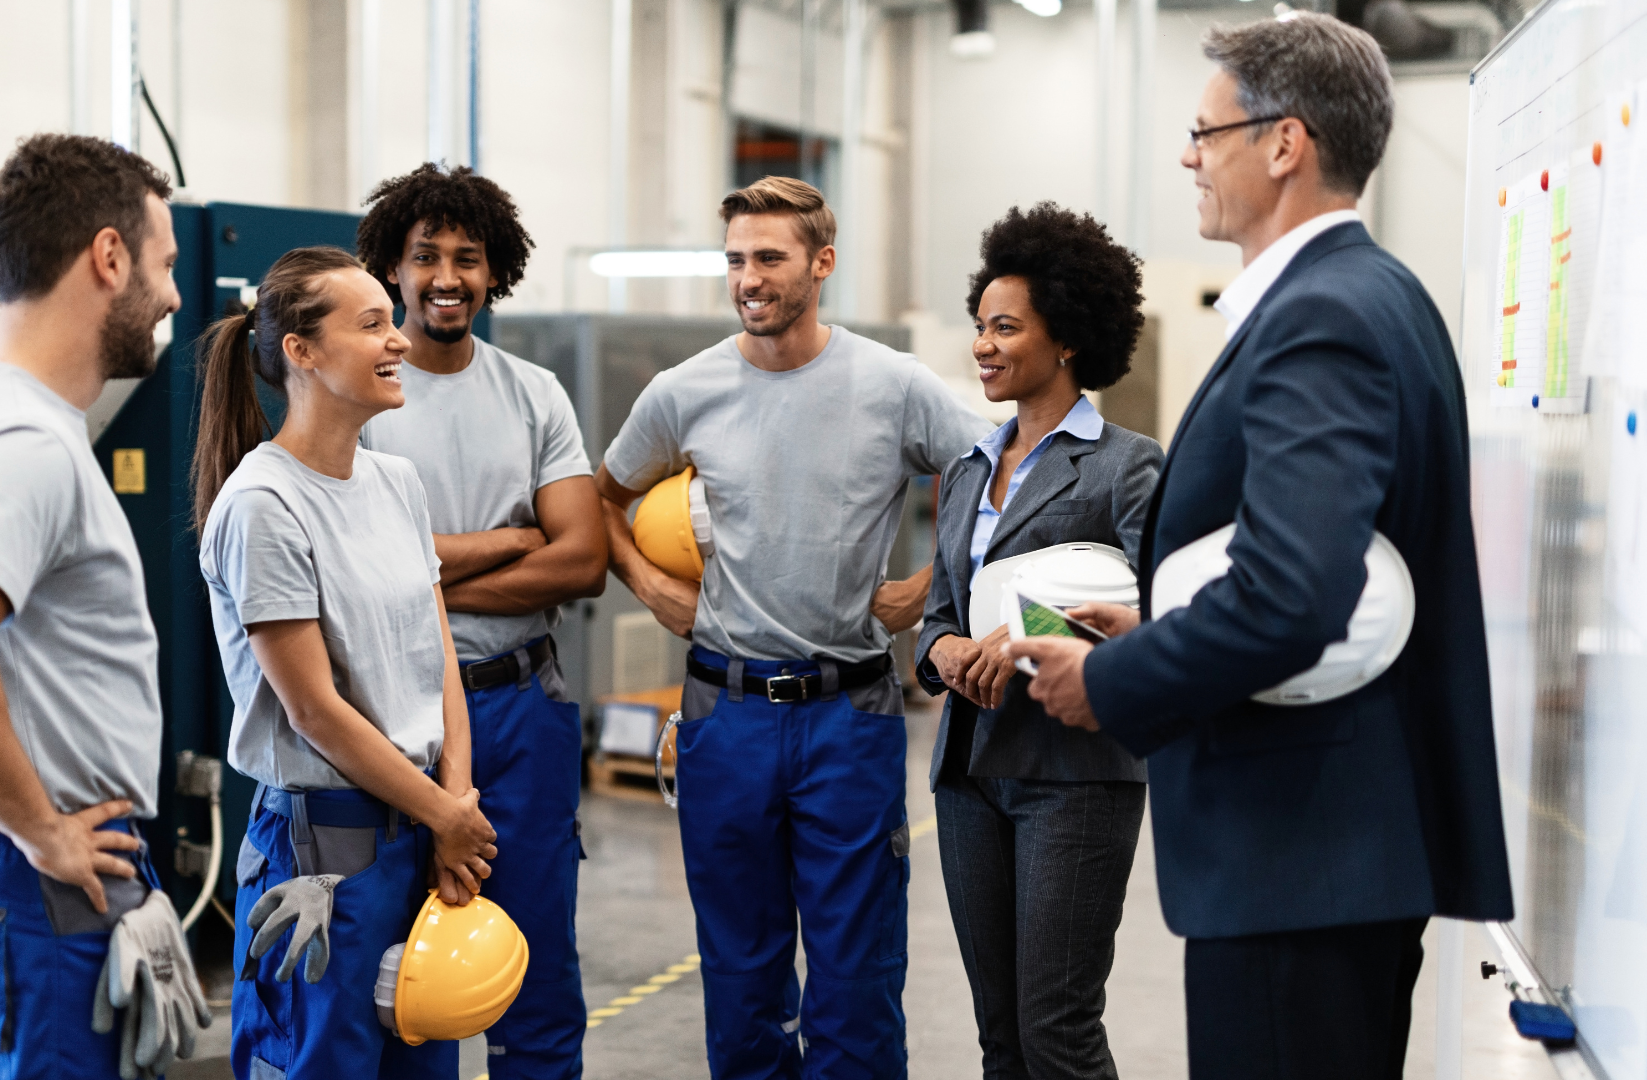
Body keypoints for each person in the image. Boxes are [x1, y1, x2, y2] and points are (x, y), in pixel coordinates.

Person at [1006, 14, 1514, 1080]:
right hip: (1332, 854)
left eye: (1206, 130)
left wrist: (1118, 678)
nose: (1191, 155)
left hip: (1300, 852)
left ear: (1285, 143)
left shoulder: (1322, 316)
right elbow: (1326, 567)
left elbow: (1292, 596)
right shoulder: (1377, 295)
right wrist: (1163, 624)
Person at [596, 176, 992, 1080]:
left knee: (856, 988)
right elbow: (602, 498)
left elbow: (1000, 475)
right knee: (741, 985)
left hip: (847, 717)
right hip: (723, 715)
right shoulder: (682, 391)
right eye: (735, 260)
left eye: (768, 258)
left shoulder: (892, 385)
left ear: (822, 263)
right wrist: (648, 582)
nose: (748, 279)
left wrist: (932, 590)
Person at [0, 133, 207, 1078]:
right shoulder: (20, 440)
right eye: (164, 263)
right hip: (28, 878)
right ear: (109, 258)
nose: (177, 297)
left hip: (11, 870)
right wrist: (42, 827)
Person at [192, 246, 498, 1080]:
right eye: (372, 324)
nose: (398, 338)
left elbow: (440, 660)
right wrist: (442, 813)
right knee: (318, 1063)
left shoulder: (397, 483)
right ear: (302, 352)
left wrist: (451, 807)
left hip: (419, 835)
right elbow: (315, 712)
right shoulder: (263, 506)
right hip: (323, 853)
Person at [355, 163, 606, 1080]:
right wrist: (509, 540)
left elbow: (580, 559)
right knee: (396, 971)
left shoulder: (533, 392)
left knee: (535, 959)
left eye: (468, 258)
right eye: (426, 257)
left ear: (496, 272)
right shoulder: (363, 393)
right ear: (392, 266)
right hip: (396, 717)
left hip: (520, 711)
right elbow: (352, 576)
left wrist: (415, 576)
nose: (446, 277)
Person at [916, 203, 1160, 1080]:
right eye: (979, 327)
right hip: (969, 773)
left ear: (1067, 338)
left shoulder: (1130, 467)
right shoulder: (970, 467)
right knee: (1000, 1038)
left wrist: (1018, 639)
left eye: (1005, 327)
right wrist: (946, 654)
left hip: (1076, 777)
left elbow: (1157, 614)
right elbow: (938, 615)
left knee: (1056, 1028)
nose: (983, 345)